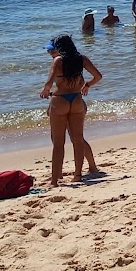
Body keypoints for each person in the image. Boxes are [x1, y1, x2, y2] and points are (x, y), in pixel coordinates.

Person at [40, 35, 101, 185]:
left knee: (58, 143)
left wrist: (45, 91)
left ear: (59, 47)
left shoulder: (58, 61)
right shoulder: (82, 59)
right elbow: (98, 76)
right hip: (76, 99)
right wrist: (87, 85)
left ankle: (54, 180)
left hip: (60, 100)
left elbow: (48, 83)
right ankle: (78, 175)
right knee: (78, 139)